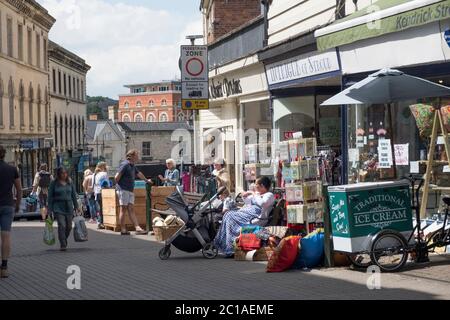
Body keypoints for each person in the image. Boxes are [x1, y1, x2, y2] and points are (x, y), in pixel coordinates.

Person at [214, 176, 274, 258]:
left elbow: (262, 203)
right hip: (248, 213)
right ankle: (226, 245)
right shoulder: (258, 194)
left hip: (255, 217)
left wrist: (253, 194)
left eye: (256, 184)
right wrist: (246, 195)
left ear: (262, 186)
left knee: (229, 215)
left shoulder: (269, 195)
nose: (255, 186)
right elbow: (248, 201)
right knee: (228, 215)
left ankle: (229, 247)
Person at [115, 149, 152, 235]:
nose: (138, 157)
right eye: (136, 155)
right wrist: (118, 187)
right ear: (131, 156)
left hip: (129, 190)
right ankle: (123, 229)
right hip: (123, 189)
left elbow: (139, 174)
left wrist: (147, 180)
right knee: (123, 209)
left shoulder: (132, 166)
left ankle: (137, 228)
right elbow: (116, 177)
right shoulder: (125, 164)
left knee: (131, 208)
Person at [0, 146, 22, 278]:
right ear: (4, 155)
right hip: (8, 205)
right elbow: (19, 189)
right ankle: (4, 267)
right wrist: (18, 204)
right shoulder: (12, 169)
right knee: (6, 236)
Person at [47, 167, 79, 252]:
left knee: (69, 226)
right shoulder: (54, 183)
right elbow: (49, 197)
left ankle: (63, 238)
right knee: (62, 225)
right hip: (58, 206)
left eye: (65, 173)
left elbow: (73, 195)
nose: (64, 175)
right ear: (58, 174)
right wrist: (49, 209)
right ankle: (63, 244)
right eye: (62, 173)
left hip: (68, 206)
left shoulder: (70, 182)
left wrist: (76, 206)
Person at [92, 162, 109, 230]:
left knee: (99, 208)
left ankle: (99, 222)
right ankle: (102, 222)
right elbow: (106, 184)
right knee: (103, 208)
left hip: (97, 192)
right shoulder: (104, 174)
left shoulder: (96, 174)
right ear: (104, 167)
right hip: (103, 192)